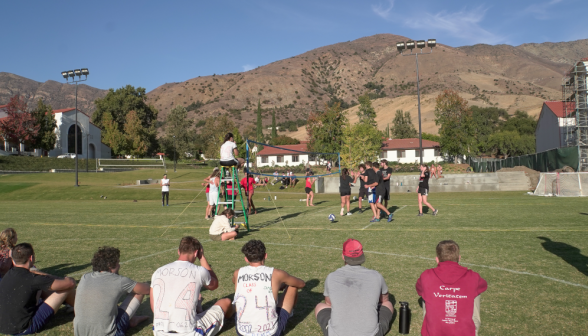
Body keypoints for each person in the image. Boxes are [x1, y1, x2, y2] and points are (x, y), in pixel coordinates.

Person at [151, 236, 233, 336]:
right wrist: (202, 257)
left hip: (159, 331)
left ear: (178, 251)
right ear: (196, 253)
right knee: (226, 302)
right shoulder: (199, 271)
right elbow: (214, 285)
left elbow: (153, 307)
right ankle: (232, 316)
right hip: (189, 332)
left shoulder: (157, 272)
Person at [315, 239, 394, 336]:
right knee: (388, 304)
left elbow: (328, 303)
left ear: (343, 256)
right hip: (372, 334)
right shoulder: (376, 276)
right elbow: (384, 300)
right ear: (362, 255)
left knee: (320, 306)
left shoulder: (331, 276)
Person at [0, 243, 76, 335]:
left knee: (41, 289)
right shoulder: (32, 279)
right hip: (24, 328)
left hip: (4, 326)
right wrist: (50, 276)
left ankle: (74, 307)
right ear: (31, 258)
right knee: (66, 288)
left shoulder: (8, 274)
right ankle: (80, 310)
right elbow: (70, 283)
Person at [232, 240, 305, 336]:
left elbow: (235, 282)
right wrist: (279, 283)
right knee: (292, 286)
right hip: (269, 332)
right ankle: (288, 314)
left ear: (246, 259)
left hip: (242, 331)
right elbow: (301, 284)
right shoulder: (277, 274)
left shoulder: (237, 273)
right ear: (265, 255)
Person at [416, 240, 488, 336]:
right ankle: (473, 330)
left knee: (426, 291)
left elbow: (419, 289)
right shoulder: (472, 276)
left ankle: (432, 326)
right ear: (459, 258)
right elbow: (484, 285)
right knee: (474, 289)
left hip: (433, 332)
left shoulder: (427, 275)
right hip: (463, 332)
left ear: (437, 259)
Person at [74, 246, 150, 336]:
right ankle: (131, 320)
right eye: (118, 262)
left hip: (80, 333)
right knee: (138, 291)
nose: (119, 265)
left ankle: (132, 319)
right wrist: (145, 284)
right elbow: (147, 290)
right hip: (110, 334)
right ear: (110, 265)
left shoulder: (85, 277)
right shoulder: (118, 280)